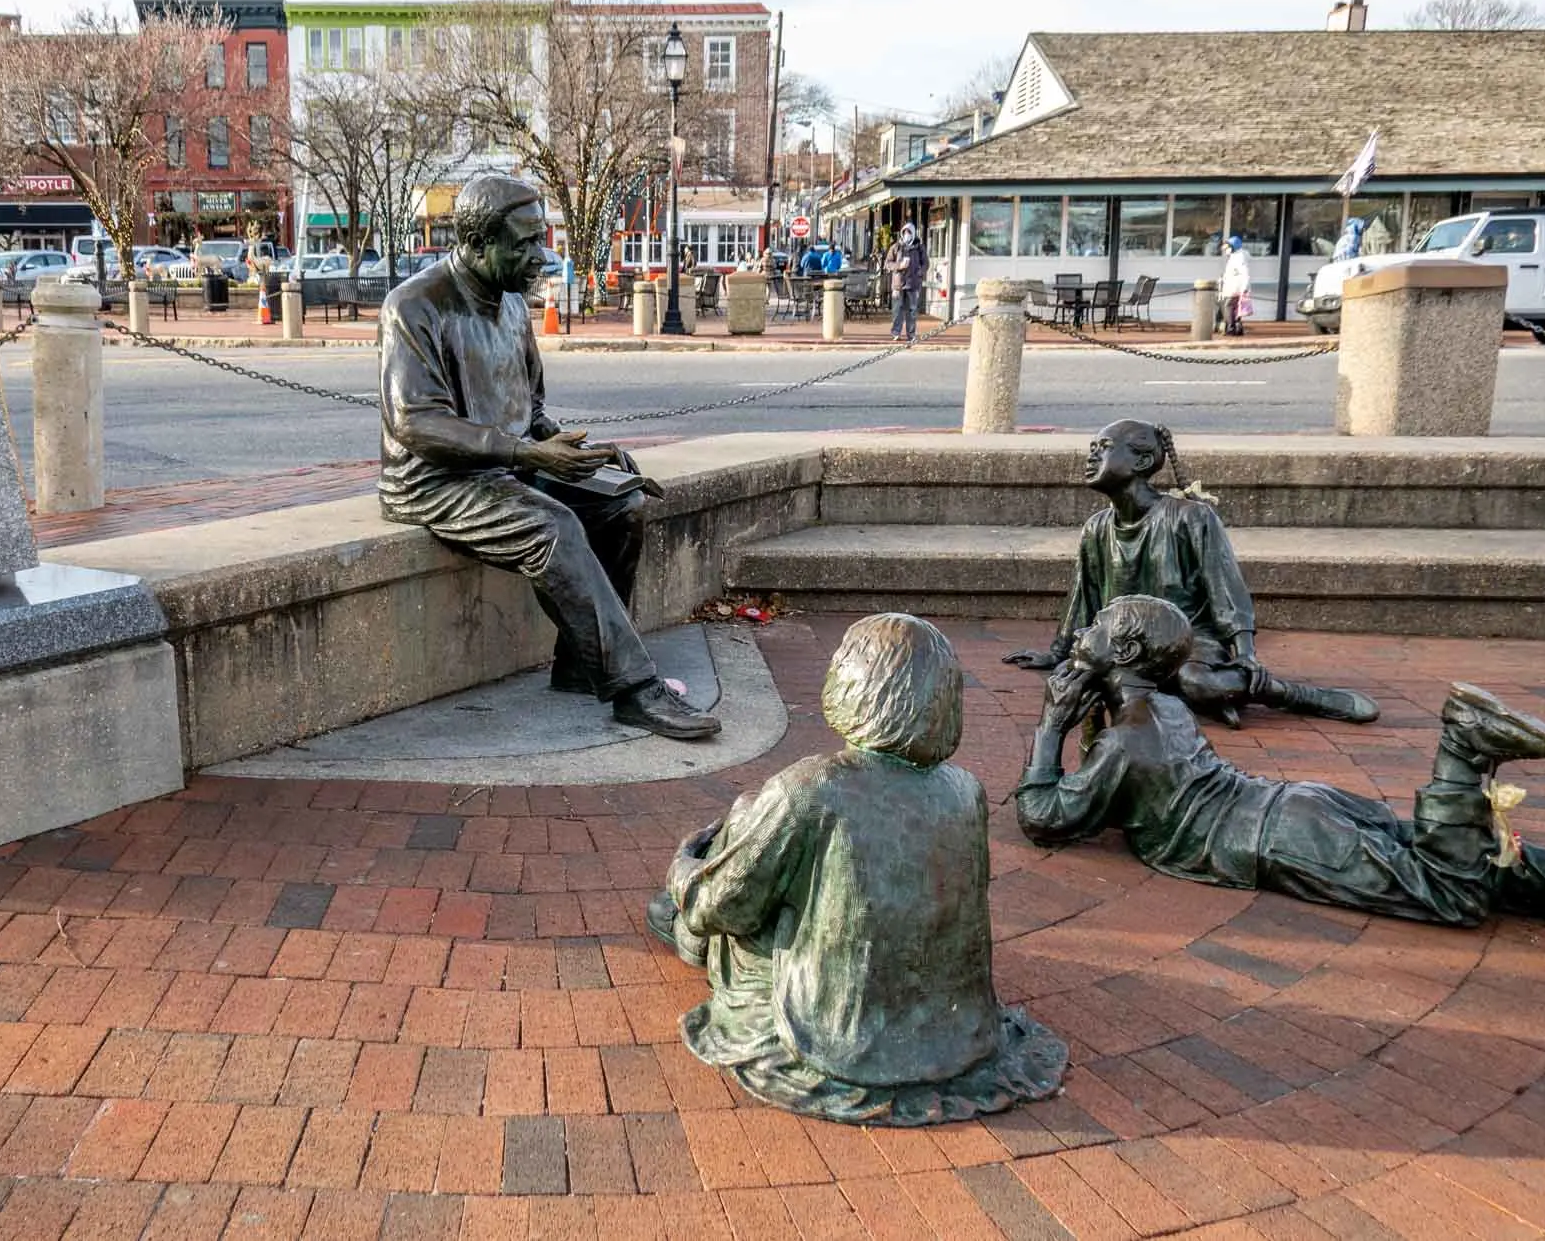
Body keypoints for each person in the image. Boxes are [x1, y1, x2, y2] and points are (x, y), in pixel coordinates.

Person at [651, 614, 1067, 1124]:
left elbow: (726, 907)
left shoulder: (810, 788)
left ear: (853, 684)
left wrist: (684, 867)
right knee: (754, 838)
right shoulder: (965, 791)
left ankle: (680, 918)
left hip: (835, 1027)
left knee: (700, 902)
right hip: (955, 1029)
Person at [1016, 595, 1545, 930]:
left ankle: (1463, 750)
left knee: (1447, 895)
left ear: (1122, 650)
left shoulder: (1129, 740)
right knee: (1441, 855)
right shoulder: (1167, 708)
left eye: (1096, 625)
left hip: (1273, 838)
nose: (1082, 630)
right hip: (1294, 807)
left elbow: (1044, 816)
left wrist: (1049, 726)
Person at [377, 174, 720, 741]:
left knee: (624, 504)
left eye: (541, 239)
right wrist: (526, 452)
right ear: (478, 243)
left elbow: (531, 412)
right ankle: (634, 689)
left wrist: (584, 456)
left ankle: (580, 666)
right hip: (436, 481)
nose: (541, 256)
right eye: (525, 243)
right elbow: (417, 422)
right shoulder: (413, 307)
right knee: (553, 524)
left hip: (510, 464)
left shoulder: (513, 306)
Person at [1004, 420, 1379, 726]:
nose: (1090, 455)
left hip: (1188, 642)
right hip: (1126, 644)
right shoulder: (1096, 528)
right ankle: (1187, 694)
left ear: (1140, 461)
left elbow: (1226, 588)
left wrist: (1245, 652)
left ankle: (1280, 692)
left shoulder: (1191, 517)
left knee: (1194, 681)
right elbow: (1082, 597)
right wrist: (1057, 652)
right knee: (1076, 681)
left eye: (1102, 447)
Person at [884, 223, 927, 341]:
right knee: (897, 310)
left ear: (913, 233)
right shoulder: (896, 247)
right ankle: (896, 332)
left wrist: (919, 272)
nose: (907, 235)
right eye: (905, 232)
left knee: (912, 311)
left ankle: (911, 334)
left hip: (913, 284)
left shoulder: (919, 247)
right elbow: (887, 263)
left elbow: (925, 263)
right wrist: (899, 266)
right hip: (898, 284)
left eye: (909, 232)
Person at [1218, 235, 1252, 336]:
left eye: (1228, 247)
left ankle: (1231, 327)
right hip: (1234, 287)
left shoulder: (1238, 258)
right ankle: (1237, 327)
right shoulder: (1235, 256)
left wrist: (1244, 287)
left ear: (1233, 247)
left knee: (1228, 306)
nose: (1226, 250)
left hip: (1235, 287)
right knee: (1236, 308)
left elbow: (1244, 273)